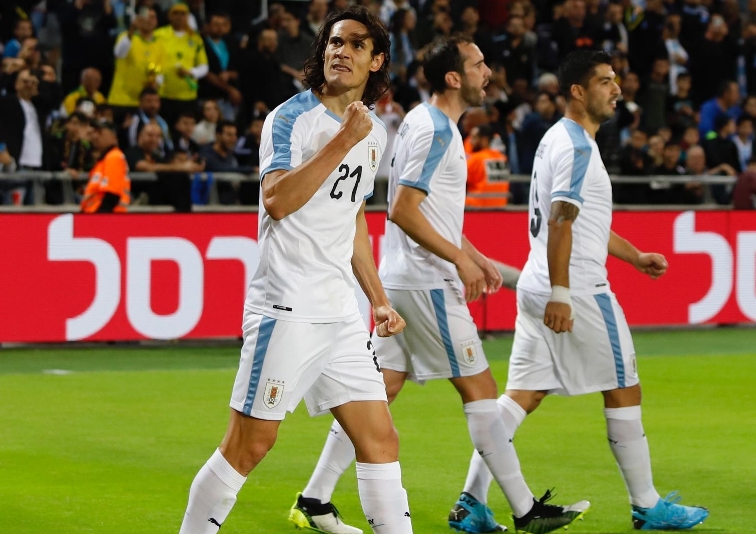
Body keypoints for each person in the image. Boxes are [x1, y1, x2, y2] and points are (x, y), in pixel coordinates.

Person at [289, 34, 590, 534]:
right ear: (454, 78)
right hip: (426, 283)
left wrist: (472, 254)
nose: (487, 72)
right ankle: (523, 510)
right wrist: (458, 260)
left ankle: (315, 498)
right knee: (481, 388)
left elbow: (425, 210)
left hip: (407, 278)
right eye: (478, 65)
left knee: (378, 390)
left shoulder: (427, 124)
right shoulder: (439, 132)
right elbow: (404, 209)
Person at [177, 9, 414, 532]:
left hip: (342, 312)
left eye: (356, 45)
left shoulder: (371, 132)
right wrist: (341, 142)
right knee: (250, 444)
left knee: (379, 440)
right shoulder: (290, 119)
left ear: (376, 61)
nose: (341, 52)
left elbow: (353, 216)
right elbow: (278, 199)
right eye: (335, 42)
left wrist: (376, 298)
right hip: (287, 305)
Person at [453, 50, 710, 532]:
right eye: (606, 81)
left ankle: (471, 501)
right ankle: (646, 504)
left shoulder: (561, 140)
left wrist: (634, 257)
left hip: (536, 284)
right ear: (578, 91)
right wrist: (564, 294)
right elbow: (562, 221)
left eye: (616, 80)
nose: (617, 89)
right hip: (578, 289)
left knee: (521, 396)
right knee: (623, 386)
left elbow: (584, 221)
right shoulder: (575, 147)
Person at [80, 121, 130, 213]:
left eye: (100, 132)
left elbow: (112, 195)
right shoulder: (103, 160)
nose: (96, 136)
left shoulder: (114, 157)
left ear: (113, 137)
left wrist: (99, 218)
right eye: (95, 132)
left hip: (109, 217)